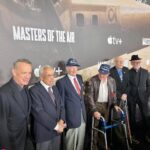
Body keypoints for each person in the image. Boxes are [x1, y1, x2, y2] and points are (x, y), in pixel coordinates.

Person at [29, 66, 66, 150]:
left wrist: (61, 121)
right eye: (49, 75)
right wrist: (57, 126)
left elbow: (61, 106)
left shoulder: (55, 88)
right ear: (41, 77)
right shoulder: (34, 91)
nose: (52, 78)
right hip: (44, 134)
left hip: (57, 133)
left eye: (53, 75)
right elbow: (39, 113)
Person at [85, 64, 121, 150]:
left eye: (104, 74)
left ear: (108, 74)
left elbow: (113, 93)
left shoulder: (112, 81)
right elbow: (89, 97)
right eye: (101, 73)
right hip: (96, 105)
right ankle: (94, 147)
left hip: (107, 105)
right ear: (99, 71)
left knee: (104, 126)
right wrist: (94, 110)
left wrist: (115, 104)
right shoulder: (92, 80)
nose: (102, 75)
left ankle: (102, 145)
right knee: (95, 127)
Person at [0, 59, 32, 150]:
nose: (28, 76)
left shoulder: (25, 89)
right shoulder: (3, 93)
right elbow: (1, 125)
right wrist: (3, 148)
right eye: (24, 73)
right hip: (12, 144)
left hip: (26, 141)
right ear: (14, 72)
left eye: (29, 73)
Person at [56, 58, 86, 150]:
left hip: (82, 116)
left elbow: (80, 98)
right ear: (67, 68)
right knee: (70, 144)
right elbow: (61, 103)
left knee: (80, 143)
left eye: (75, 67)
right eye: (71, 67)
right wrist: (63, 119)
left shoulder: (80, 78)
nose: (73, 69)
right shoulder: (61, 82)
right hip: (71, 119)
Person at [128, 55, 150, 142]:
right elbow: (127, 86)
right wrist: (129, 97)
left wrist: (146, 96)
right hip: (132, 98)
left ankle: (147, 134)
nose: (136, 63)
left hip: (143, 98)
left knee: (145, 116)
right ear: (131, 63)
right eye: (134, 62)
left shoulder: (146, 72)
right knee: (132, 117)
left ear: (140, 62)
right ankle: (134, 135)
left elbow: (149, 85)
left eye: (137, 62)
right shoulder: (129, 73)